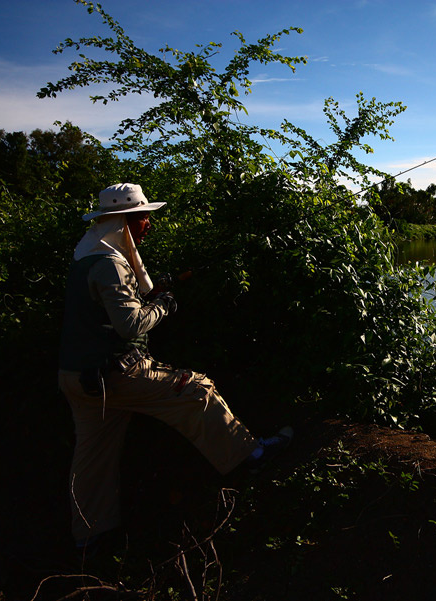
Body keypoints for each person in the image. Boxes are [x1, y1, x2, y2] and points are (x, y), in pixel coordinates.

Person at [58, 183, 291, 549]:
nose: (149, 224)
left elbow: (106, 309)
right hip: (118, 375)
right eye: (143, 217)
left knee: (92, 459)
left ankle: (91, 537)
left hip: (78, 379)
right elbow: (130, 325)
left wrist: (150, 294)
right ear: (123, 222)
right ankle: (253, 455)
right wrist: (163, 305)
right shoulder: (109, 265)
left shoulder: (87, 255)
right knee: (197, 390)